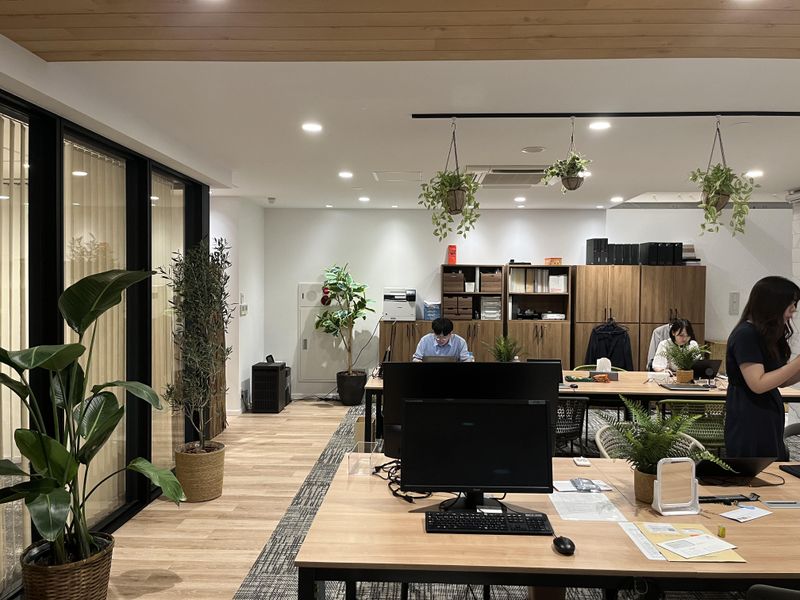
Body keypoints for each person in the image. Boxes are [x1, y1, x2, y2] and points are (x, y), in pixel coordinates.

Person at [726, 276, 800, 459]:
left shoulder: (763, 334)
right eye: (791, 304)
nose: (793, 310)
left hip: (767, 413)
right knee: (756, 467)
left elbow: (779, 381)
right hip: (749, 415)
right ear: (773, 304)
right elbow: (758, 384)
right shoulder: (745, 335)